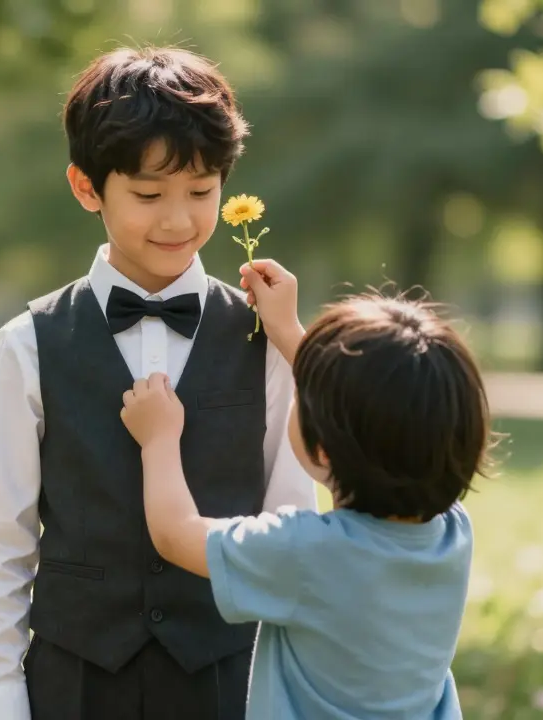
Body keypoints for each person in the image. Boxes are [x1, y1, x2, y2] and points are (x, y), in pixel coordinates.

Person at [0, 46, 320, 720]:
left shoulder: (264, 337)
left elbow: (293, 531)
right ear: (88, 187)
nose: (178, 220)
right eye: (149, 195)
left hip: (227, 685)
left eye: (202, 192)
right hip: (73, 686)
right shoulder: (28, 345)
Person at [120, 258, 495, 719]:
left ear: (324, 451)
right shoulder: (451, 531)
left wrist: (158, 439)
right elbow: (381, 418)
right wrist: (287, 329)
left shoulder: (305, 552)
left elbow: (176, 535)